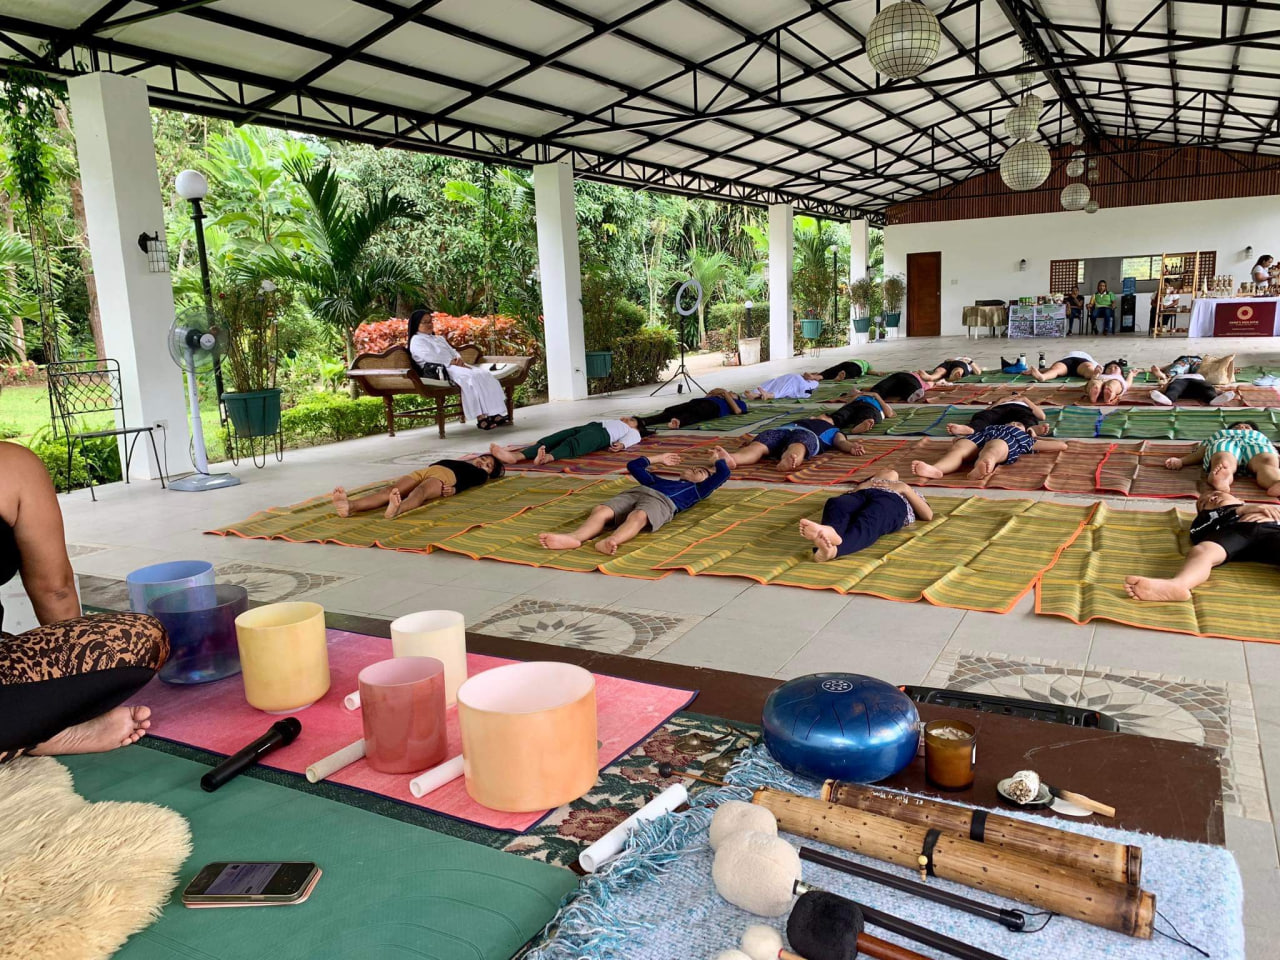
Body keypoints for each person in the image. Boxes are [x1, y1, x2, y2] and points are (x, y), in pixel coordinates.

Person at [0, 443, 168, 764]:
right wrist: (71, 699)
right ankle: (35, 732)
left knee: (136, 640)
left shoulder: (11, 464)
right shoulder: (11, 466)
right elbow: (54, 590)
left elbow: (56, 590)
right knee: (143, 640)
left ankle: (22, 729)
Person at [538, 449, 732, 556]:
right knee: (601, 510)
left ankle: (611, 541)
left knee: (639, 516)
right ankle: (575, 537)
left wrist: (717, 460)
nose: (696, 469)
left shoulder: (697, 491)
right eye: (695, 468)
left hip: (663, 503)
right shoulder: (656, 480)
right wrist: (659, 458)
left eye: (702, 472)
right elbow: (633, 466)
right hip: (637, 492)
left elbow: (724, 474)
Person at [1124, 490, 1280, 602]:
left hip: (1273, 532)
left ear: (1239, 498)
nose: (1211, 498)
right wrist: (1239, 511)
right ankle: (1178, 585)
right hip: (1234, 533)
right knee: (1203, 551)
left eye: (1217, 494)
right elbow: (1196, 532)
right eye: (1204, 504)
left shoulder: (1267, 509)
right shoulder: (1211, 519)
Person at [799, 469, 933, 562]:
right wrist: (863, 486)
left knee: (872, 518)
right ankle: (830, 530)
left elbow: (928, 515)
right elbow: (846, 500)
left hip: (891, 500)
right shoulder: (864, 485)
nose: (887, 474)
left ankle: (831, 550)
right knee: (838, 503)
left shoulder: (904, 489)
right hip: (861, 495)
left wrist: (905, 489)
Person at [407, 309, 511, 430]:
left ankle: (495, 413)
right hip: (441, 369)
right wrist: (451, 362)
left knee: (484, 374)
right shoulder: (416, 340)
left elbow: (453, 351)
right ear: (416, 325)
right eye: (425, 322)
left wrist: (458, 359)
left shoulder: (438, 338)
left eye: (430, 321)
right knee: (470, 378)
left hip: (456, 365)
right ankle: (481, 417)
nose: (429, 324)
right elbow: (429, 356)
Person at [332, 455, 505, 520]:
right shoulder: (463, 461)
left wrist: (456, 489)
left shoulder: (480, 474)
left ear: (489, 474)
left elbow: (471, 481)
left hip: (444, 477)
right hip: (425, 471)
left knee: (419, 492)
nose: (483, 463)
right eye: (484, 459)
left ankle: (397, 509)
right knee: (391, 489)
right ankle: (351, 506)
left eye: (488, 466)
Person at [911, 421, 1069, 481]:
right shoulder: (992, 427)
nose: (1014, 424)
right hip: (981, 437)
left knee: (993, 450)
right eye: (1012, 423)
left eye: (1019, 424)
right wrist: (960, 440)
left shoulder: (1026, 439)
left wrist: (1035, 435)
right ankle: (936, 469)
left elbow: (1062, 445)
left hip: (1006, 443)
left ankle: (981, 467)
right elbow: (956, 440)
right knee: (959, 449)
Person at [1162, 422, 1280, 495]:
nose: (1242, 427)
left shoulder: (1260, 436)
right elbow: (1201, 451)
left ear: (1254, 431)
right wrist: (1181, 461)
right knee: (1224, 460)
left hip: (1256, 445)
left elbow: (1273, 451)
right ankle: (1222, 480)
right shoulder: (1222, 434)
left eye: (1247, 427)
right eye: (1237, 426)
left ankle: (1275, 482)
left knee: (1267, 462)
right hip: (1227, 443)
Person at [724, 416, 867, 472]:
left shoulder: (833, 430)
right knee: (759, 445)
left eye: (827, 417)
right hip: (781, 431)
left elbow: (842, 442)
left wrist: (852, 447)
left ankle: (790, 459)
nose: (823, 417)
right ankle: (732, 459)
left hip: (808, 435)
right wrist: (751, 441)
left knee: (799, 444)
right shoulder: (800, 420)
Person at [489, 417, 649, 466]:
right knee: (556, 438)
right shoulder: (617, 421)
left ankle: (548, 457)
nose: (627, 418)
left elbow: (634, 438)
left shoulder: (631, 431)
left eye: (631, 419)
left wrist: (622, 444)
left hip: (602, 435)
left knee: (574, 444)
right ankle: (517, 456)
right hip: (589, 427)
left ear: (637, 426)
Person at [945, 392, 1053, 437]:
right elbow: (987, 411)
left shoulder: (1024, 401)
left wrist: (1025, 399)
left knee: (1027, 418)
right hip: (1001, 409)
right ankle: (970, 429)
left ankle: (1031, 429)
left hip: (1021, 409)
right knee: (985, 416)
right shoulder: (1002, 401)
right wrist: (1000, 400)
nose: (1014, 396)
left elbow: (1042, 416)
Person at [638, 388, 747, 430]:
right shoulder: (718, 396)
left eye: (733, 393)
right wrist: (715, 394)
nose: (730, 393)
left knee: (696, 413)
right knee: (671, 411)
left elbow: (737, 411)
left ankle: (679, 422)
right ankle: (644, 421)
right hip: (699, 401)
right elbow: (708, 394)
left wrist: (726, 394)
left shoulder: (739, 402)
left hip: (714, 408)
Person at [1149, 371, 1236, 407]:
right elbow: (1167, 385)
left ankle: (1213, 399)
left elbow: (1210, 387)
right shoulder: (1177, 376)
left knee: (1207, 388)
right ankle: (1168, 399)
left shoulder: (1200, 376)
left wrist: (1222, 392)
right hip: (1181, 382)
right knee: (1174, 388)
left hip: (1198, 384)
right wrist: (1159, 391)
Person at [829, 392, 894, 435]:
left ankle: (859, 426)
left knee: (868, 414)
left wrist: (876, 395)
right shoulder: (858, 397)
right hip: (855, 404)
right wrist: (856, 396)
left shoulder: (878, 400)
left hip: (871, 407)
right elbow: (844, 406)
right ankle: (830, 422)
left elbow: (889, 414)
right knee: (844, 412)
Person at [1029, 350, 1103, 382]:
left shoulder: (1086, 357)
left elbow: (1048, 369)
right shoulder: (1087, 357)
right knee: (1056, 369)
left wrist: (1040, 370)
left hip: (1071, 361)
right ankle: (1043, 377)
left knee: (1055, 370)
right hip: (1073, 361)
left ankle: (1044, 377)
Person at [743, 372, 820, 401]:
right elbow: (806, 374)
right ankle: (756, 394)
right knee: (774, 383)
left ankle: (768, 395)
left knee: (786, 388)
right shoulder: (806, 379)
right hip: (792, 379)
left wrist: (813, 376)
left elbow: (808, 375)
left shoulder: (815, 382)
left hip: (801, 387)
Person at [915, 357, 982, 384]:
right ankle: (953, 376)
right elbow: (978, 372)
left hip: (948, 364)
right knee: (958, 369)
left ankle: (929, 377)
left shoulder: (968, 360)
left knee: (939, 373)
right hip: (959, 363)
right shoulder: (967, 360)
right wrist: (968, 361)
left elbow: (978, 371)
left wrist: (969, 362)